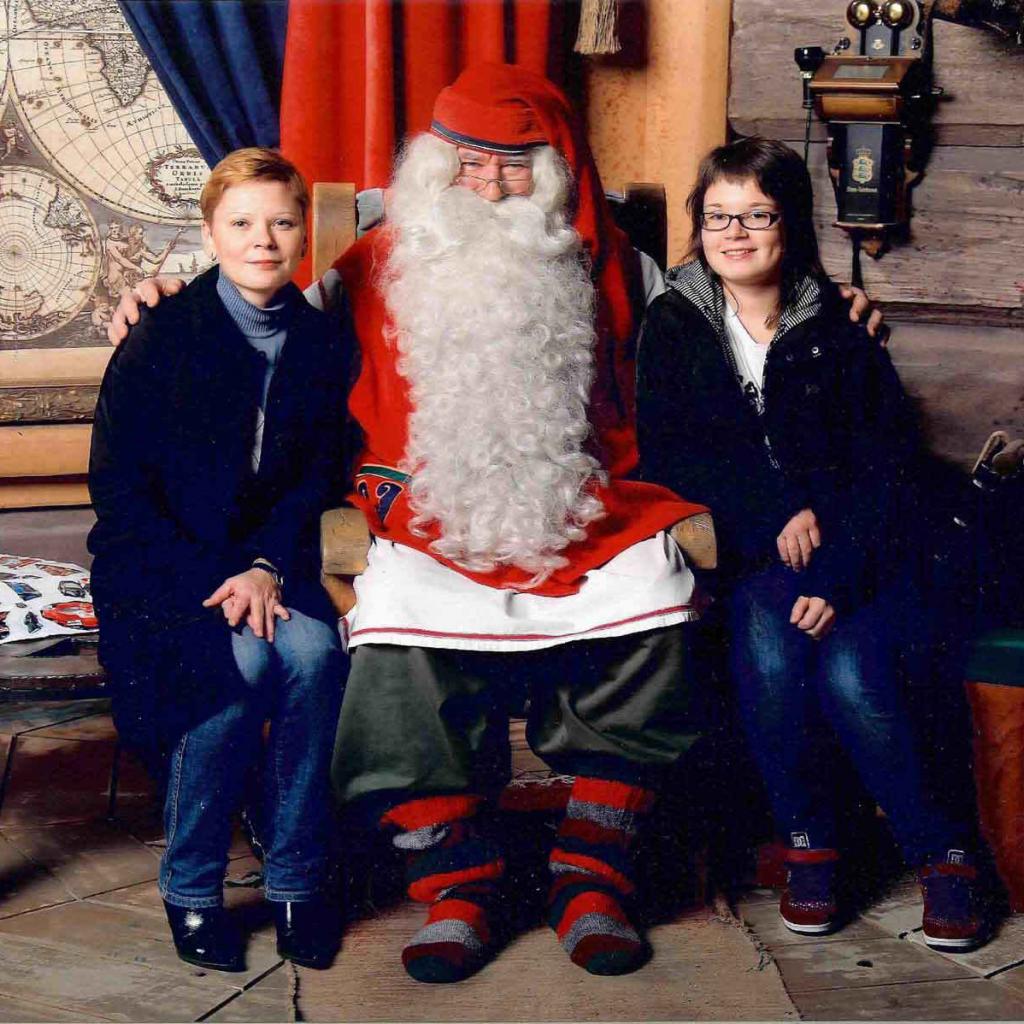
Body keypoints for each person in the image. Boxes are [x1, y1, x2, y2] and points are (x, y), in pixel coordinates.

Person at [105, 66, 885, 983]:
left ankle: (591, 873)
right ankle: (457, 883)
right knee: (392, 637)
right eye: (466, 160)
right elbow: (258, 316)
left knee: (658, 600)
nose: (485, 181)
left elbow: (733, 314)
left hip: (580, 509)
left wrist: (832, 304)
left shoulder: (619, 268)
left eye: (511, 164)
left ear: (552, 171)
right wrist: (157, 298)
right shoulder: (368, 266)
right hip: (425, 516)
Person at [636, 136, 985, 951]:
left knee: (854, 671)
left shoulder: (836, 322)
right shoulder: (675, 320)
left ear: (789, 222)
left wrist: (836, 573)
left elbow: (888, 467)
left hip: (867, 553)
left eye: (757, 215)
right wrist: (776, 512)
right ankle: (809, 848)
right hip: (755, 553)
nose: (735, 233)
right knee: (767, 643)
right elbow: (675, 453)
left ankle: (945, 855)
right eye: (718, 216)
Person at [88, 148, 348, 973]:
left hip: (271, 565)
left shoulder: (319, 342)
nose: (262, 240)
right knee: (235, 670)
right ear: (210, 234)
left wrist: (266, 566)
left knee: (315, 656)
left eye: (281, 222)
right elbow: (120, 490)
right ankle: (192, 884)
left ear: (303, 233)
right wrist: (219, 578)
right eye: (241, 223)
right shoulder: (161, 333)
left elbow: (316, 477)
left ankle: (297, 879)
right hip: (160, 566)